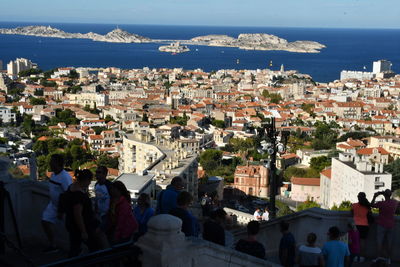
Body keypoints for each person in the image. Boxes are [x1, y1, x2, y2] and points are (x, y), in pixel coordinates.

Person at [62, 169, 100, 257]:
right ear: (86, 180)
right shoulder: (78, 195)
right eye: (90, 181)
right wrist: (83, 231)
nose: (89, 183)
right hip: (81, 226)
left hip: (71, 224)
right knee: (93, 247)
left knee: (75, 247)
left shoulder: (71, 188)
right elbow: (77, 214)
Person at [41, 154, 73, 253]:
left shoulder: (65, 177)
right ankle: (53, 245)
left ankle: (75, 248)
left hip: (63, 208)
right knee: (45, 221)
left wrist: (62, 210)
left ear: (58, 164)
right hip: (53, 205)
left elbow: (68, 194)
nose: (50, 164)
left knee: (70, 229)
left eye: (52, 162)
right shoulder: (53, 175)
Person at [371, 189, 399, 264]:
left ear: (384, 195)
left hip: (381, 224)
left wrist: (374, 196)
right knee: (389, 242)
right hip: (391, 225)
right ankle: (389, 259)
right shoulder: (395, 203)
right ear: (390, 195)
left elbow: (372, 205)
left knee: (379, 242)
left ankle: (378, 257)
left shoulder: (381, 203)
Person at [351, 192, 370, 258]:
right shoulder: (367, 206)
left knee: (355, 241)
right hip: (365, 225)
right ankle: (362, 257)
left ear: (358, 197)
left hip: (355, 225)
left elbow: (351, 215)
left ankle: (356, 256)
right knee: (362, 242)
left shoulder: (353, 205)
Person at [94, 166, 112, 230]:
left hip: (107, 215)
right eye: (96, 172)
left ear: (105, 174)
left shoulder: (109, 185)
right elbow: (97, 198)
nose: (96, 174)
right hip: (98, 214)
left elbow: (113, 199)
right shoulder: (96, 185)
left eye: (99, 172)